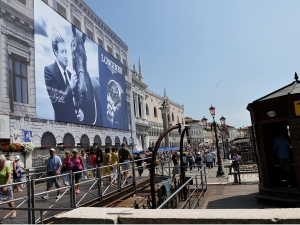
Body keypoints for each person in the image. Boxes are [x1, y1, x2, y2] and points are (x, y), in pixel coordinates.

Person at [44, 29, 82, 123]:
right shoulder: (49, 71)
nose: (65, 56)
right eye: (62, 52)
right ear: (55, 52)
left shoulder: (70, 74)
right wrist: (70, 87)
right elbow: (57, 104)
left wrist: (80, 111)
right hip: (62, 127)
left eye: (66, 51)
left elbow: (76, 101)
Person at [0, 154, 16, 219]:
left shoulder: (7, 167)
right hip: (0, 187)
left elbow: (9, 177)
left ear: (2, 161)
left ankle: (14, 212)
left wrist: (6, 185)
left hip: (7, 186)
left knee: (10, 200)